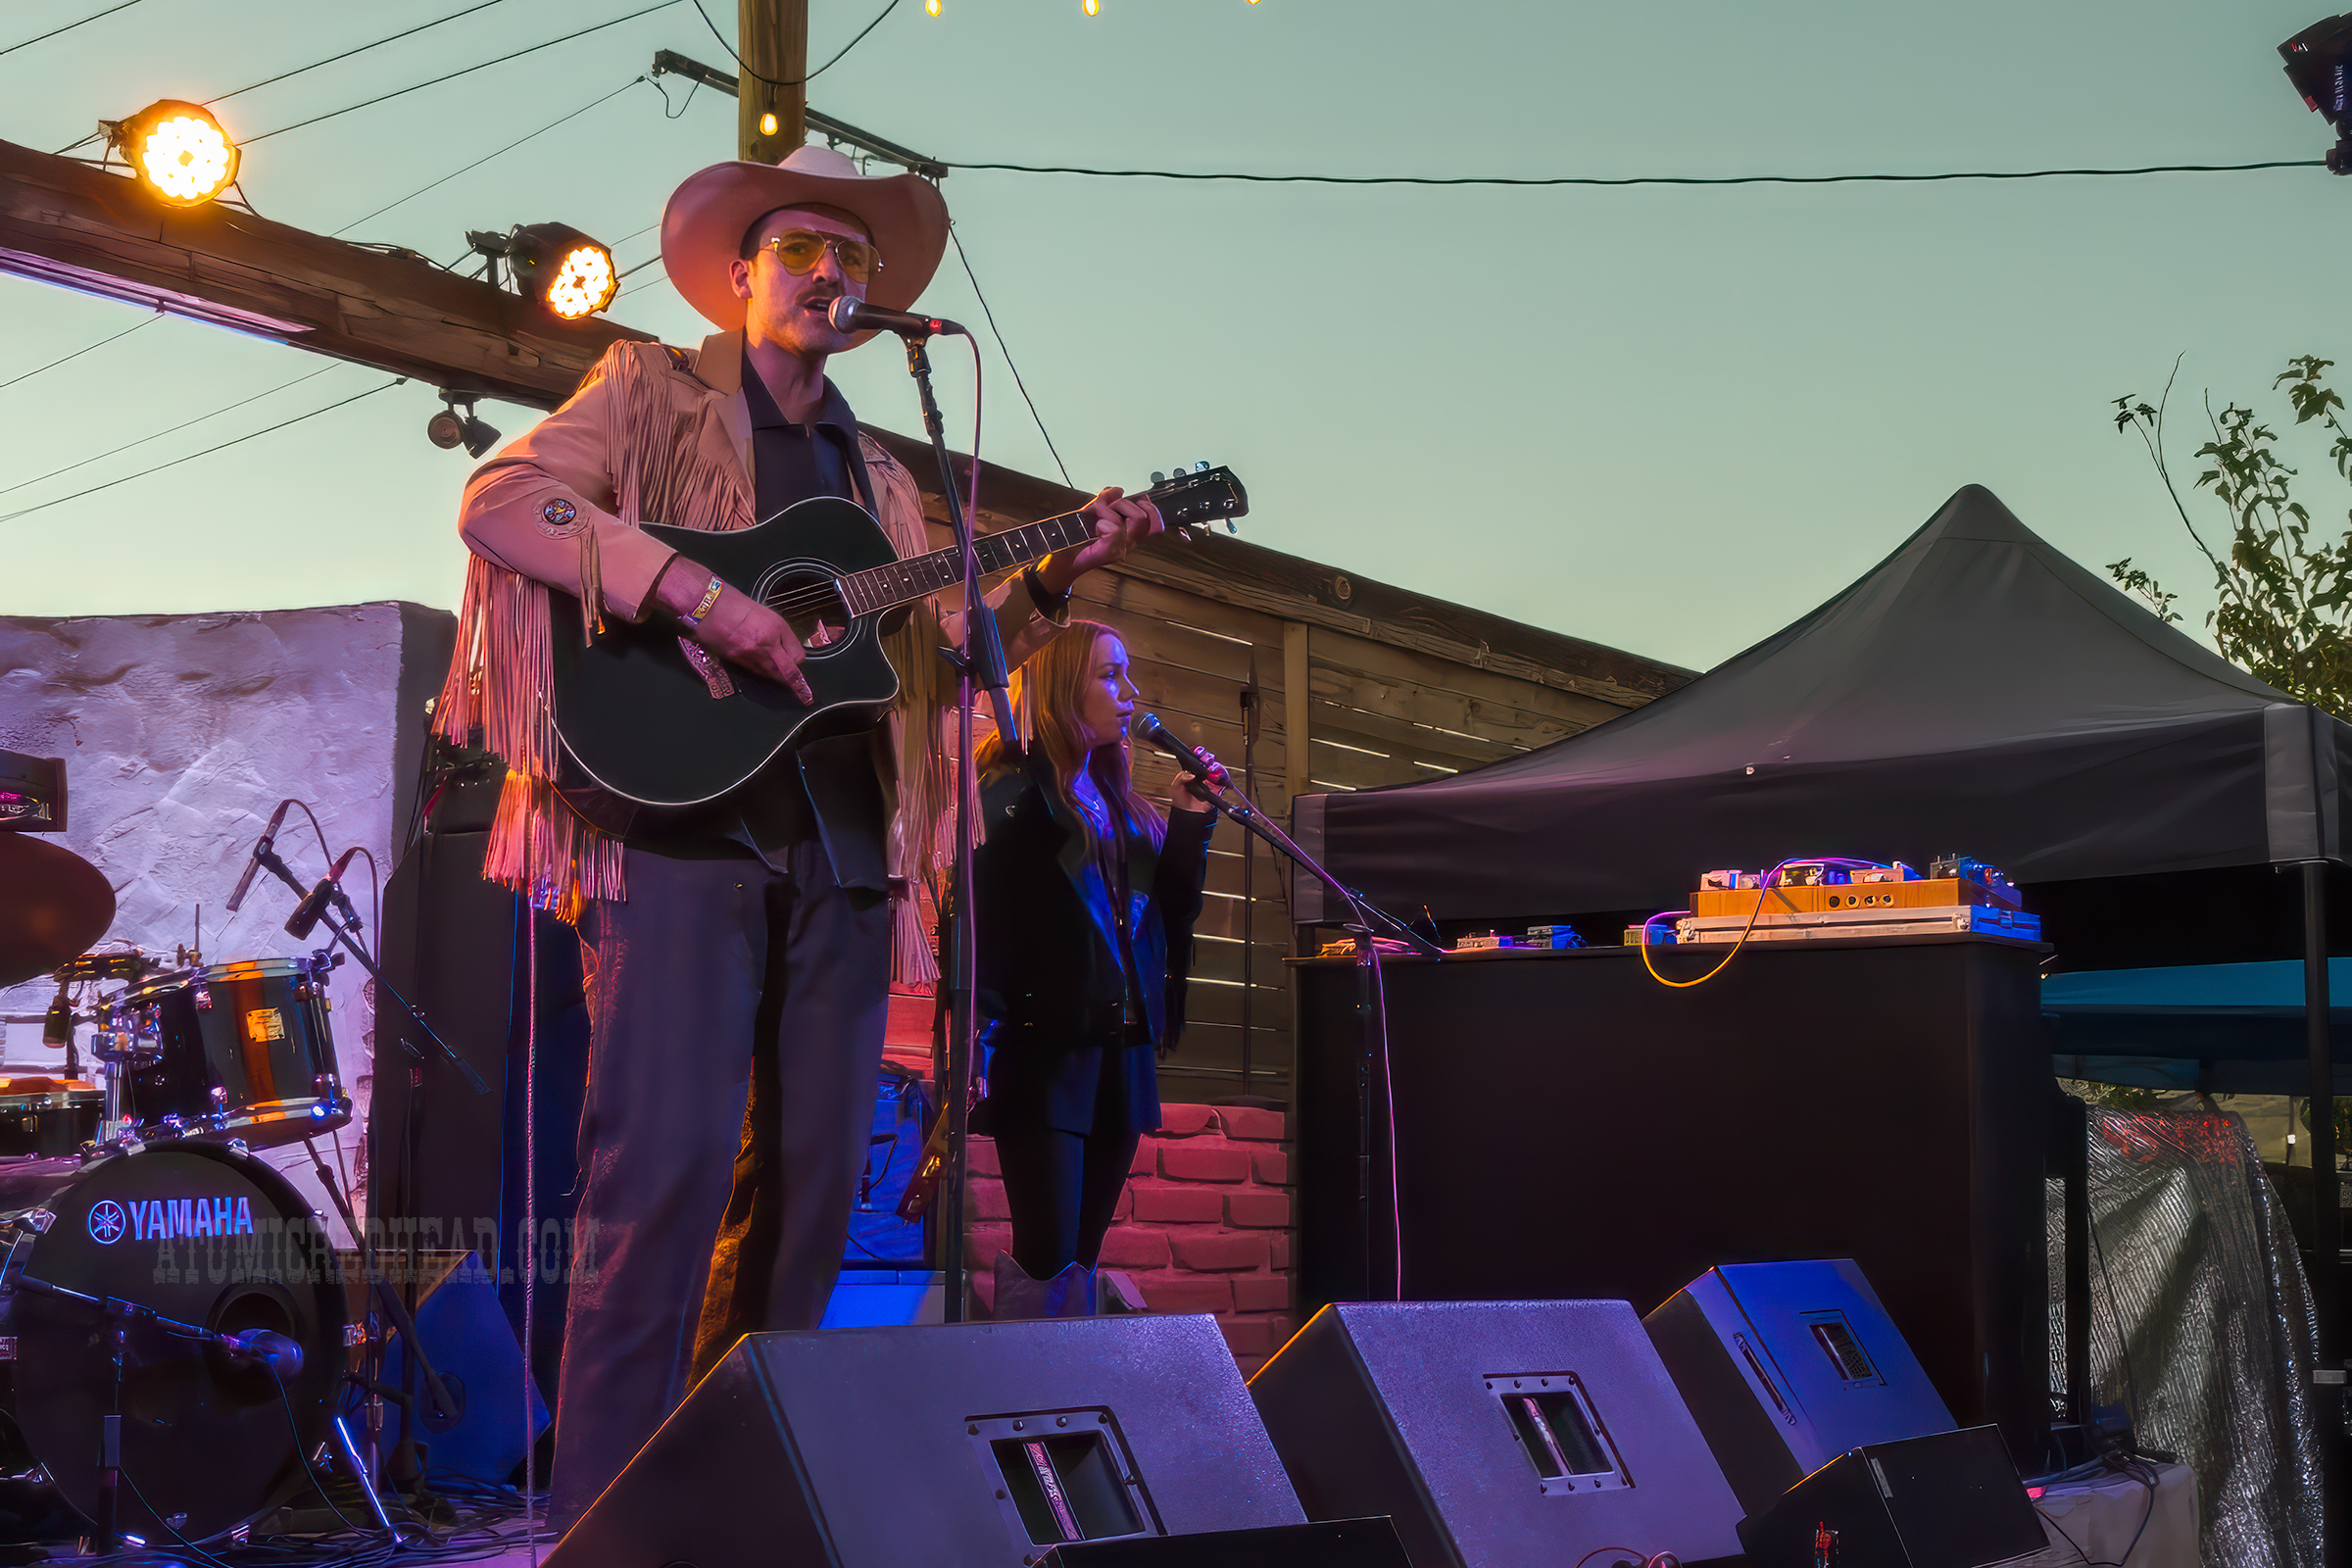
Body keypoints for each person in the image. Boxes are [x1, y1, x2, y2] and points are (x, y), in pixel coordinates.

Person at [430, 144, 1164, 1530]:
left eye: (855, 258)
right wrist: (712, 605)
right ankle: (605, 1530)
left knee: (816, 1196)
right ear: (745, 272)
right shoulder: (649, 391)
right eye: (806, 248)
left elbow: (945, 643)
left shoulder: (882, 477)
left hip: (840, 848)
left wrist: (1058, 564)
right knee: (661, 1188)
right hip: (681, 831)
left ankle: (736, 1505)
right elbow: (505, 502)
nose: (834, 273)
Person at [966, 620, 1218, 1315]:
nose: (1130, 692)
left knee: (1082, 1257)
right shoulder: (1011, 794)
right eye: (1109, 675)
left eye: (1126, 674)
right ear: (1057, 686)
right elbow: (982, 921)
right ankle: (1027, 1403)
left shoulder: (1123, 809)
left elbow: (1170, 917)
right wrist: (972, 1039)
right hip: (1046, 1050)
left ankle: (1066, 1400)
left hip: (1122, 1053)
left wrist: (1190, 821)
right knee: (1046, 1253)